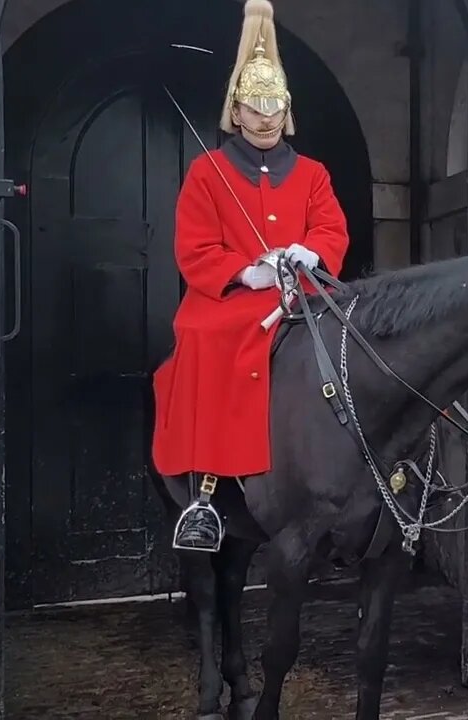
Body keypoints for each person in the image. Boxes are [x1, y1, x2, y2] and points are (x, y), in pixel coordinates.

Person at [152, 0, 352, 551]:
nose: (265, 117)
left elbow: (331, 228)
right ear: (237, 111)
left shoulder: (312, 174)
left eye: (274, 106)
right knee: (202, 337)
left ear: (286, 110)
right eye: (254, 106)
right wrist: (246, 271)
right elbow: (193, 248)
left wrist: (313, 254)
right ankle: (206, 491)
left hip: (303, 294)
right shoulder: (206, 172)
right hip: (228, 299)